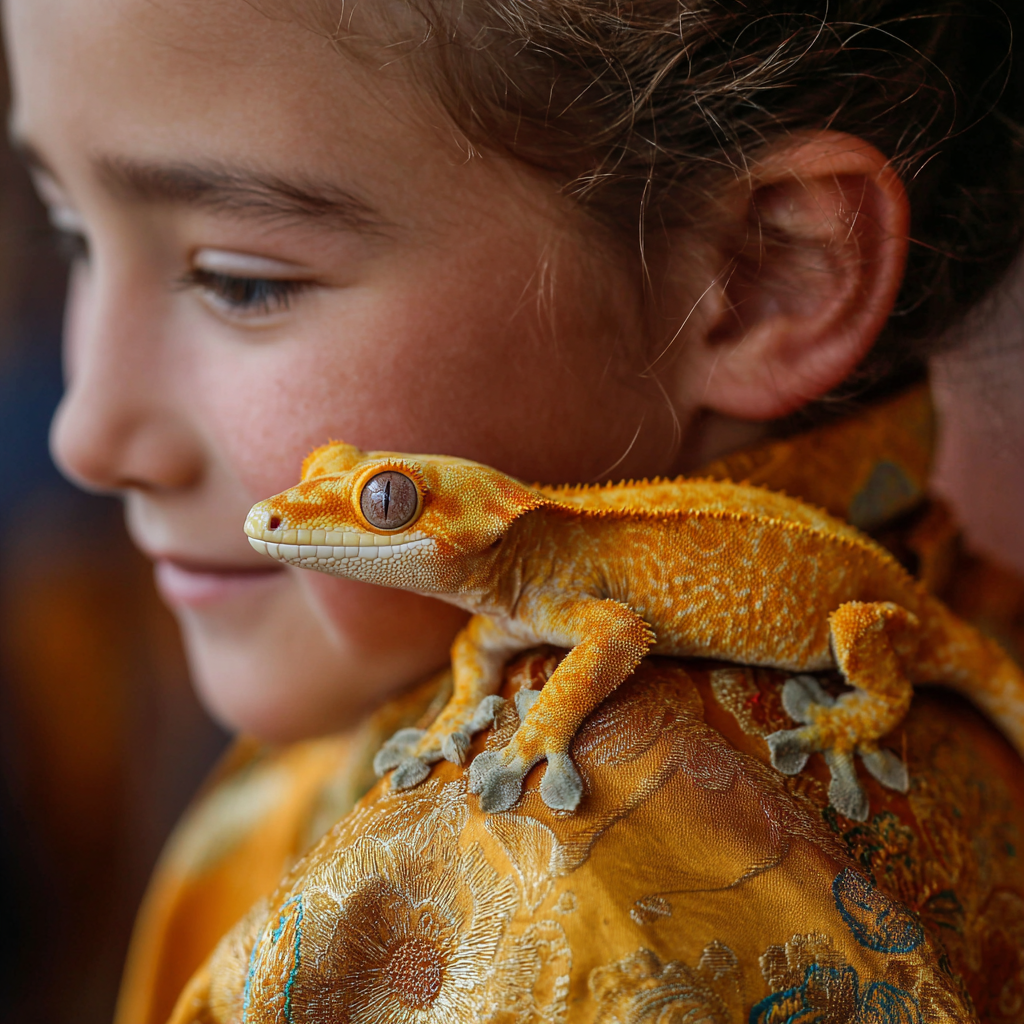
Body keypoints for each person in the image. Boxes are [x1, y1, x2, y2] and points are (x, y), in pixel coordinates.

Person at [4, 0, 1024, 1019]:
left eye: (244, 280)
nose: (82, 435)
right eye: (69, 235)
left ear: (763, 275)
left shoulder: (532, 907)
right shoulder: (970, 593)